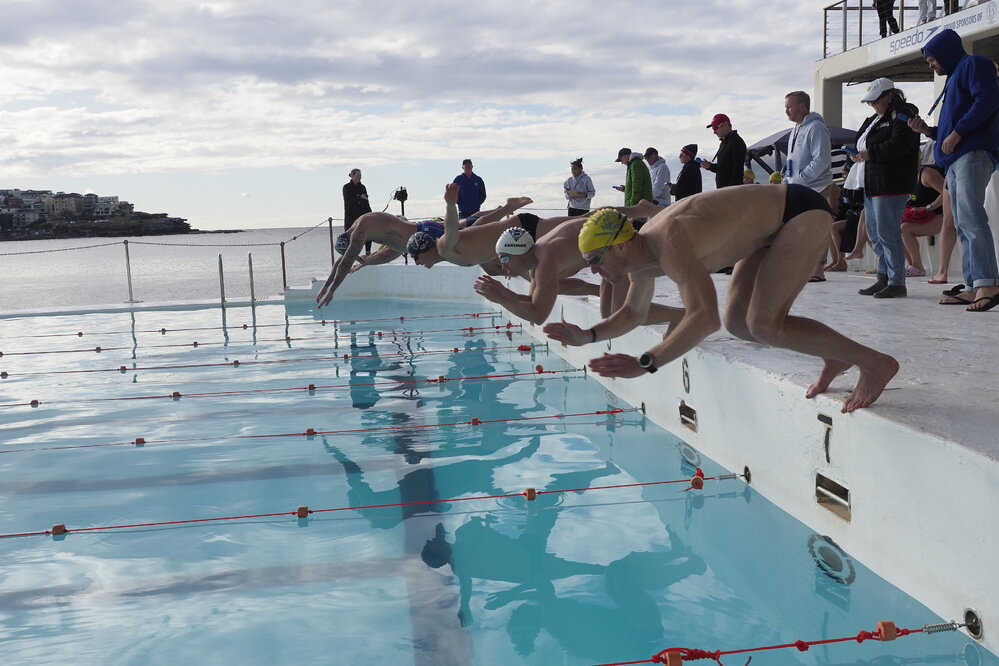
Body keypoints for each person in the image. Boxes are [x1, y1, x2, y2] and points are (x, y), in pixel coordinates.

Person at [542, 186, 900, 413]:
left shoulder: (668, 240)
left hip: (799, 212)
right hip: (766, 230)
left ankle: (875, 363)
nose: (592, 272)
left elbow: (702, 318)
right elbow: (632, 314)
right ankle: (834, 354)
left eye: (595, 261)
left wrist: (646, 363)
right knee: (738, 323)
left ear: (619, 246)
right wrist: (587, 336)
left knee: (763, 324)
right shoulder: (640, 261)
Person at [909, 28, 999, 312]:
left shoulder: (974, 64)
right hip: (958, 158)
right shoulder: (955, 76)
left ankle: (989, 282)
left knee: (972, 218)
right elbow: (951, 128)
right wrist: (929, 131)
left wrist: (958, 132)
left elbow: (987, 100)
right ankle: (974, 286)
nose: (930, 64)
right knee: (962, 222)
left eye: (932, 58)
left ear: (946, 52)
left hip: (971, 153)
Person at [474, 202, 681, 325]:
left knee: (619, 312)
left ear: (518, 252)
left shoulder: (545, 261)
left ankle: (683, 316)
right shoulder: (537, 263)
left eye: (504, 260)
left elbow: (538, 315)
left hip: (623, 245)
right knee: (608, 314)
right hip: (610, 250)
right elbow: (533, 301)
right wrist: (503, 294)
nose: (503, 268)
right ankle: (679, 316)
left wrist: (501, 297)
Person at [852, 78, 920, 299]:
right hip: (872, 183)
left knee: (888, 233)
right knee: (875, 233)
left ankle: (896, 282)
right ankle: (883, 277)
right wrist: (854, 154)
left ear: (889, 96)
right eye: (869, 102)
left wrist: (872, 154)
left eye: (874, 101)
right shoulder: (876, 119)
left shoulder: (903, 113)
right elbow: (861, 141)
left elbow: (901, 144)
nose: (872, 106)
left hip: (891, 183)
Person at [409, 184, 569, 269]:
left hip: (522, 229)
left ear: (426, 248)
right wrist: (504, 259)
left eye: (415, 256)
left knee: (578, 223)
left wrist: (451, 205)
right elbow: (480, 226)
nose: (416, 262)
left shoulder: (443, 247)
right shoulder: (450, 254)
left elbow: (451, 229)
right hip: (519, 241)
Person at [783, 90, 837, 283]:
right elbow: (793, 159)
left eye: (789, 106)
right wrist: (787, 179)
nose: (786, 110)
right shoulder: (796, 129)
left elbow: (821, 159)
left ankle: (818, 269)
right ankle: (804, 267)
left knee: (815, 228)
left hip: (815, 187)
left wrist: (802, 178)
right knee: (799, 229)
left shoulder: (816, 127)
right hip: (798, 186)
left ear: (802, 106)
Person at [900, 143, 956, 281]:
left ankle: (917, 267)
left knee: (904, 229)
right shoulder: (905, 179)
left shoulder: (927, 174)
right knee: (892, 229)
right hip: (922, 217)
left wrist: (929, 207)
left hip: (941, 214)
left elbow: (947, 192)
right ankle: (912, 265)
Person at [699, 114, 747, 189]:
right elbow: (723, 168)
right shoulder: (724, 143)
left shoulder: (736, 142)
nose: (714, 132)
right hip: (724, 191)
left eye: (715, 127)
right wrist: (710, 166)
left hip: (730, 193)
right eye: (713, 128)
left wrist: (731, 191)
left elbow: (738, 170)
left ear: (725, 124)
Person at [343, 168, 373, 254]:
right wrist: (359, 197)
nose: (359, 177)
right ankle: (348, 256)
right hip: (351, 216)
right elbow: (348, 201)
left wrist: (371, 214)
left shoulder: (363, 187)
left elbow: (367, 203)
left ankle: (367, 254)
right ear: (352, 176)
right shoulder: (346, 187)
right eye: (358, 175)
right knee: (351, 237)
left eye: (360, 175)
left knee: (368, 234)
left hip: (363, 215)